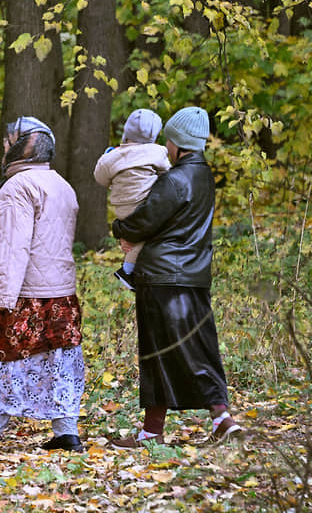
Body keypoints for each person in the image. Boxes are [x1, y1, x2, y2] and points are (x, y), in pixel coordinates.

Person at [0, 117, 86, 454]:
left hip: (25, 294)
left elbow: (12, 247)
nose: (4, 149)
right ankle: (67, 433)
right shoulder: (61, 185)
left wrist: (3, 299)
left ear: (25, 146)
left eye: (9, 143)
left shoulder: (18, 188)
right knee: (60, 360)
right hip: (61, 292)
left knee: (6, 359)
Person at [109, 106, 243, 448]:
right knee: (198, 348)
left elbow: (145, 221)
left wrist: (120, 229)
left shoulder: (174, 179)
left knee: (157, 352)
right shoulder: (203, 176)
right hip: (195, 275)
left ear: (179, 143)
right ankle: (220, 419)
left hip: (162, 277)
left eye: (169, 139)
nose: (166, 146)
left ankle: (153, 433)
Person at [93, 108, 171, 291]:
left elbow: (100, 177)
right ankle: (128, 271)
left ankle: (129, 269)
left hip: (121, 208)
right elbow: (168, 175)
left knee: (137, 240)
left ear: (127, 132)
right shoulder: (157, 152)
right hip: (143, 204)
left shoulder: (112, 157)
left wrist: (108, 154)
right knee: (148, 236)